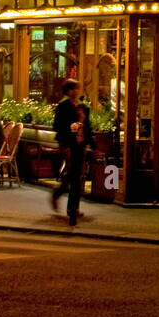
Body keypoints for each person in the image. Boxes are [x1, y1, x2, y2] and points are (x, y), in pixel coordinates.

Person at [50, 80, 92, 217]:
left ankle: (72, 207)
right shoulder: (63, 106)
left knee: (77, 176)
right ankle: (70, 206)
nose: (75, 91)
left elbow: (88, 126)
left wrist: (92, 143)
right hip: (68, 144)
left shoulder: (83, 107)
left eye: (77, 88)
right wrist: (70, 127)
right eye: (73, 88)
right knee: (73, 174)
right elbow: (57, 126)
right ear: (67, 91)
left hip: (80, 144)